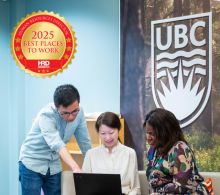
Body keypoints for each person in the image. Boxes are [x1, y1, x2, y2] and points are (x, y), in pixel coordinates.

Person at [19, 84, 92, 195]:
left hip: (53, 165)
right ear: (56, 106)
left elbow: (84, 142)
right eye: (65, 113)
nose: (71, 116)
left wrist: (93, 164)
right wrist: (75, 167)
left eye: (74, 111)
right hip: (32, 163)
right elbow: (58, 144)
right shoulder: (47, 115)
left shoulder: (80, 112)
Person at [144, 108, 210, 195]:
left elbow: (183, 187)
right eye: (147, 132)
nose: (148, 137)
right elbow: (153, 183)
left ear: (166, 132)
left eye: (153, 134)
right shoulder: (152, 151)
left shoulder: (179, 149)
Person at [82, 112, 141, 195]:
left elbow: (135, 188)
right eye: (103, 133)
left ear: (119, 129)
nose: (107, 137)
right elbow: (85, 186)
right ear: (98, 132)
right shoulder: (91, 154)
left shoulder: (130, 153)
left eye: (111, 133)